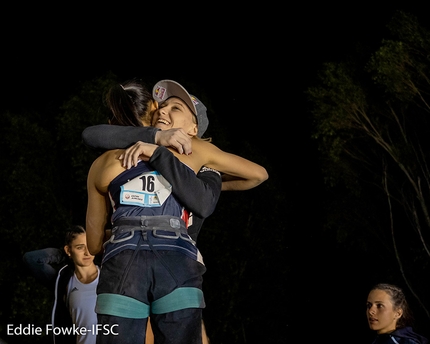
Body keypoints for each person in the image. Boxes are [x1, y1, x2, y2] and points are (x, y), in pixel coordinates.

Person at [86, 80, 240, 343]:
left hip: (123, 260)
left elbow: (93, 243)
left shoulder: (103, 163)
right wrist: (210, 178)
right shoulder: (195, 153)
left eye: (175, 108)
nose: (166, 112)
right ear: (155, 109)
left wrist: (128, 227)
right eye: (165, 106)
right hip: (178, 257)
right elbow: (258, 174)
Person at [24, 225, 99, 344]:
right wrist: (65, 256)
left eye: (90, 246)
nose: (87, 252)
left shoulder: (109, 276)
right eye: (80, 247)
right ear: (68, 250)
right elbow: (32, 259)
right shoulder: (64, 282)